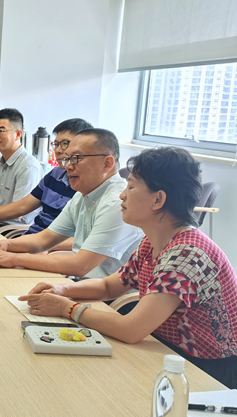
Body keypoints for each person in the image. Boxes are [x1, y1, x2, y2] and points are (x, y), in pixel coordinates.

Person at [20, 147, 237, 388]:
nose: (122, 196)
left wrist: (66, 308)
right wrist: (62, 290)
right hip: (164, 350)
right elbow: (108, 286)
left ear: (158, 200)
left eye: (131, 187)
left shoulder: (186, 254)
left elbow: (131, 330)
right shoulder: (153, 240)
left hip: (206, 372)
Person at [0, 128, 142, 278]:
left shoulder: (117, 203)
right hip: (77, 283)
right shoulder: (83, 195)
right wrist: (6, 244)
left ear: (107, 163)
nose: (68, 166)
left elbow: (81, 266)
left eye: (76, 158)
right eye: (67, 159)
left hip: (104, 295)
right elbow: (44, 239)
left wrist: (14, 259)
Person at [0, 118, 93, 235]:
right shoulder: (55, 174)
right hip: (33, 238)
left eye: (65, 143)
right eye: (56, 144)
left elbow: (79, 240)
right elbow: (22, 206)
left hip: (41, 243)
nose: (58, 150)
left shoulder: (91, 188)